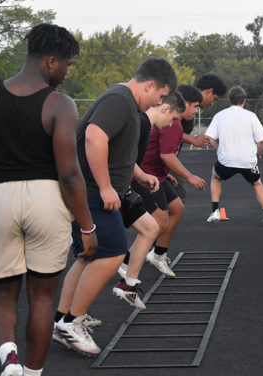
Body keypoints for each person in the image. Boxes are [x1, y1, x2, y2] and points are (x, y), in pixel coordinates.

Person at [53, 57, 176, 357]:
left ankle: (62, 320)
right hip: (94, 193)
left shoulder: (126, 104)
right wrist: (107, 187)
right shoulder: (120, 100)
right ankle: (72, 322)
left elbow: (117, 152)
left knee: (87, 257)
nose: (159, 102)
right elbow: (95, 137)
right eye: (159, 96)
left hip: (96, 191)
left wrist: (141, 175)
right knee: (113, 254)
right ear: (149, 85)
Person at [0, 24, 97, 376]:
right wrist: (86, 226)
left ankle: (8, 357)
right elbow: (69, 174)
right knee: (41, 297)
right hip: (45, 197)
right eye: (66, 65)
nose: (66, 73)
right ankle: (33, 372)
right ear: (50, 61)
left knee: (3, 294)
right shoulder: (59, 104)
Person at [110, 91, 185, 309]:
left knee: (151, 228)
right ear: (164, 108)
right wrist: (108, 187)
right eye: (171, 119)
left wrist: (142, 176)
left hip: (123, 185)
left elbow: (128, 158)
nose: (171, 124)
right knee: (101, 257)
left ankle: (128, 284)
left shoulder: (143, 123)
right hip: (107, 188)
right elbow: (115, 153)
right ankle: (68, 318)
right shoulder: (141, 123)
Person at [141, 85, 207, 278]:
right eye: (195, 106)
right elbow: (167, 155)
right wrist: (190, 176)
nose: (196, 111)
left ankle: (158, 255)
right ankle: (128, 263)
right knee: (158, 221)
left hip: (157, 174)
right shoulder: (174, 123)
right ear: (183, 104)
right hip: (147, 175)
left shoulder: (175, 123)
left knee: (176, 208)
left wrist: (166, 173)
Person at [205, 86, 263, 227]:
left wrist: (219, 151)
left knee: (215, 177)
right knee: (257, 184)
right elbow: (261, 140)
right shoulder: (251, 116)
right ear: (244, 100)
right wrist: (258, 155)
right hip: (248, 161)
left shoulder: (220, 115)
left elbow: (209, 138)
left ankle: (215, 211)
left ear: (229, 100)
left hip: (226, 161)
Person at [172, 74, 227, 203]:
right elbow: (165, 131)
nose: (212, 103)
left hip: (169, 157)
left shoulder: (190, 112)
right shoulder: (180, 102)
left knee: (179, 199)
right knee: (177, 199)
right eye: (214, 98)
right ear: (209, 92)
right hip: (162, 157)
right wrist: (192, 140)